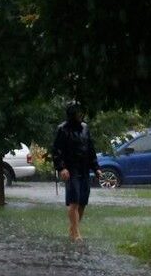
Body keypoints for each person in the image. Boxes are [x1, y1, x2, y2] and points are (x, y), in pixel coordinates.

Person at [51, 103, 101, 242]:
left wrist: (96, 167)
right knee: (74, 201)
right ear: (72, 114)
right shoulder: (62, 129)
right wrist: (61, 168)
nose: (81, 115)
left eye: (82, 113)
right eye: (78, 113)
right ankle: (76, 233)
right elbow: (57, 151)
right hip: (70, 169)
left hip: (84, 168)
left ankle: (73, 228)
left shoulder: (85, 128)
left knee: (83, 201)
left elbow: (90, 149)